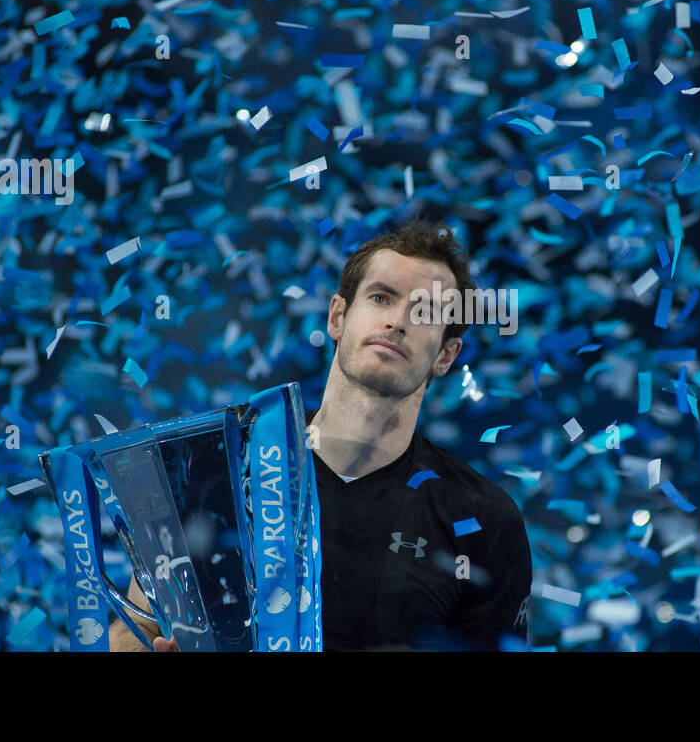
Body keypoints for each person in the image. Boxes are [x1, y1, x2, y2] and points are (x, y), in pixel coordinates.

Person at [109, 219, 533, 651]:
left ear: (445, 355)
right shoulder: (218, 462)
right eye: (381, 297)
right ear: (337, 317)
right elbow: (136, 626)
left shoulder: (484, 519)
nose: (397, 321)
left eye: (424, 312)